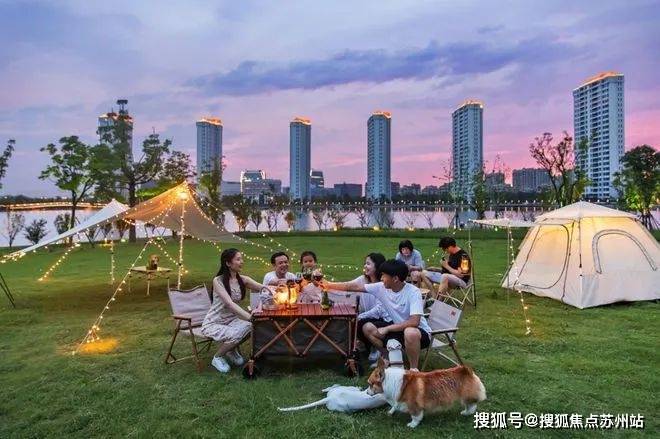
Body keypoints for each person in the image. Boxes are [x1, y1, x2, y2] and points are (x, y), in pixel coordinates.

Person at [322, 259, 431, 371]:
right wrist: (327, 284)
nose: (381, 278)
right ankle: (388, 357)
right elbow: (353, 287)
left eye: (384, 275)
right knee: (367, 327)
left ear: (395, 279)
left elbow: (414, 322)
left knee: (410, 332)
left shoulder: (413, 292)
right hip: (397, 328)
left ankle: (413, 370)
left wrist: (388, 328)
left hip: (418, 333)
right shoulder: (381, 287)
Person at [201, 248, 269, 374]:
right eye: (238, 259)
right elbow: (229, 304)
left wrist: (277, 287)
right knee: (242, 329)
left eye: (241, 259)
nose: (242, 262)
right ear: (228, 263)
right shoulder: (218, 281)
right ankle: (217, 357)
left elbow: (264, 288)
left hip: (231, 320)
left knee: (253, 328)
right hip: (215, 322)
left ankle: (231, 350)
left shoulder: (243, 279)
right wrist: (250, 317)